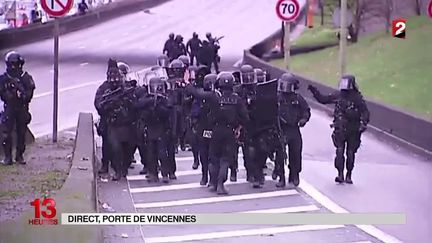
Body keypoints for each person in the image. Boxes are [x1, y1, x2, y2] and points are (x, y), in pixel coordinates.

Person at [186, 72, 249, 195]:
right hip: (229, 132)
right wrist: (238, 128)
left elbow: (198, 94)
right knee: (225, 158)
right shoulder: (237, 99)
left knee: (213, 158)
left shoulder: (214, 96)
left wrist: (187, 84)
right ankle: (220, 184)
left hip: (215, 131)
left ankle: (213, 183)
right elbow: (245, 118)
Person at [308, 75, 369, 184]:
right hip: (340, 128)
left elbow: (365, 112)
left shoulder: (357, 98)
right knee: (339, 151)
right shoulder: (339, 95)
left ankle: (349, 174)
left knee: (350, 153)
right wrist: (314, 91)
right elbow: (324, 99)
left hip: (353, 129)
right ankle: (340, 174)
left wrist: (363, 123)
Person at [94, 59, 136, 180]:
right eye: (111, 77)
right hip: (111, 124)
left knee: (128, 149)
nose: (114, 80)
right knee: (113, 148)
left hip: (127, 124)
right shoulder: (103, 89)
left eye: (116, 77)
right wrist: (109, 104)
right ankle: (116, 169)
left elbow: (135, 102)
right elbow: (98, 104)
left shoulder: (126, 87)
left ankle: (124, 169)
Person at [0, 51, 35, 165]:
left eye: (16, 64)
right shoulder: (4, 78)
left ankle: (19, 156)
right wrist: (9, 96)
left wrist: (22, 96)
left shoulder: (25, 77)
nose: (14, 67)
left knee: (21, 132)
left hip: (21, 108)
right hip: (9, 107)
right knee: (6, 133)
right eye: (12, 64)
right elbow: (2, 93)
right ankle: (7, 157)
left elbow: (30, 92)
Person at [276, 73, 310, 187]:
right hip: (281, 129)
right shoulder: (277, 97)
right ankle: (281, 176)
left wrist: (303, 120)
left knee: (296, 153)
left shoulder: (297, 98)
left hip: (294, 129)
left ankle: (294, 174)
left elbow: (306, 111)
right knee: (280, 154)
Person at [135, 76, 171, 183]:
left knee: (162, 153)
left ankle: (165, 173)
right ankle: (153, 173)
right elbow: (138, 106)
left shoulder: (164, 99)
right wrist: (151, 103)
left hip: (161, 129)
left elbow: (168, 112)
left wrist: (158, 105)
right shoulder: (146, 99)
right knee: (151, 153)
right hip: (150, 128)